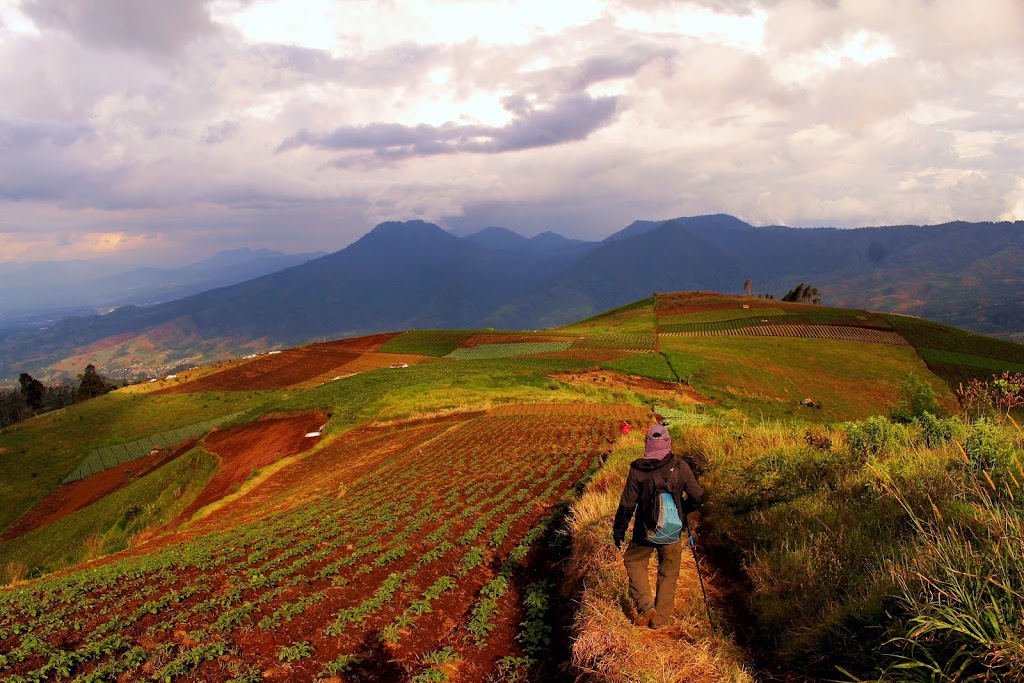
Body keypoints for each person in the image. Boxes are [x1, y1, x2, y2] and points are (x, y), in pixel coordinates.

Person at [612, 423, 704, 629]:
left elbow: (627, 504)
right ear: (668, 443)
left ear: (647, 444)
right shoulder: (681, 467)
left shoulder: (637, 470)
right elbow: (697, 496)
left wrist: (619, 531)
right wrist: (682, 511)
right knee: (668, 571)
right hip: (672, 531)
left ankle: (646, 606)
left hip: (644, 531)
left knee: (634, 561)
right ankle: (660, 619)